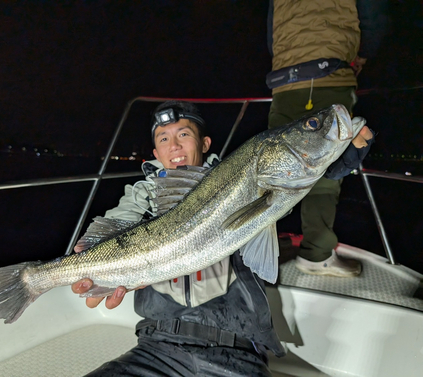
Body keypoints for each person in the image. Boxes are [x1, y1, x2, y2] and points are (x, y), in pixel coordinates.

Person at [73, 100, 284, 376]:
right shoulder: (142, 195)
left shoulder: (240, 180)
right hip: (155, 348)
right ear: (155, 152)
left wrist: (336, 162)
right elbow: (116, 223)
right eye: (164, 138)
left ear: (205, 143)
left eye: (184, 134)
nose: (174, 146)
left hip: (236, 350)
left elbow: (283, 185)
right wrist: (89, 268)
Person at [266, 0, 387, 277]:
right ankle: (316, 254)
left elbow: (272, 34)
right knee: (323, 175)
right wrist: (360, 59)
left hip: (283, 84)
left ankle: (257, 250)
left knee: (273, 172)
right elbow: (375, 21)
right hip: (328, 77)